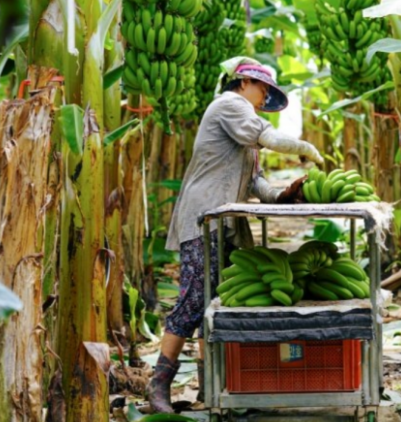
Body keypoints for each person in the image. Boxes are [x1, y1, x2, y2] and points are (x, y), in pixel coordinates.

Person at [146, 57, 324, 413]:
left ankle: (208, 386)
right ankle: (158, 385)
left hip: (226, 223)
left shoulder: (243, 131)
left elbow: (256, 183)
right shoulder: (229, 105)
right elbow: (268, 137)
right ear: (244, 82)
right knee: (195, 298)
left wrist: (285, 194)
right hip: (203, 218)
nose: (263, 98)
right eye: (263, 90)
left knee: (219, 301)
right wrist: (304, 147)